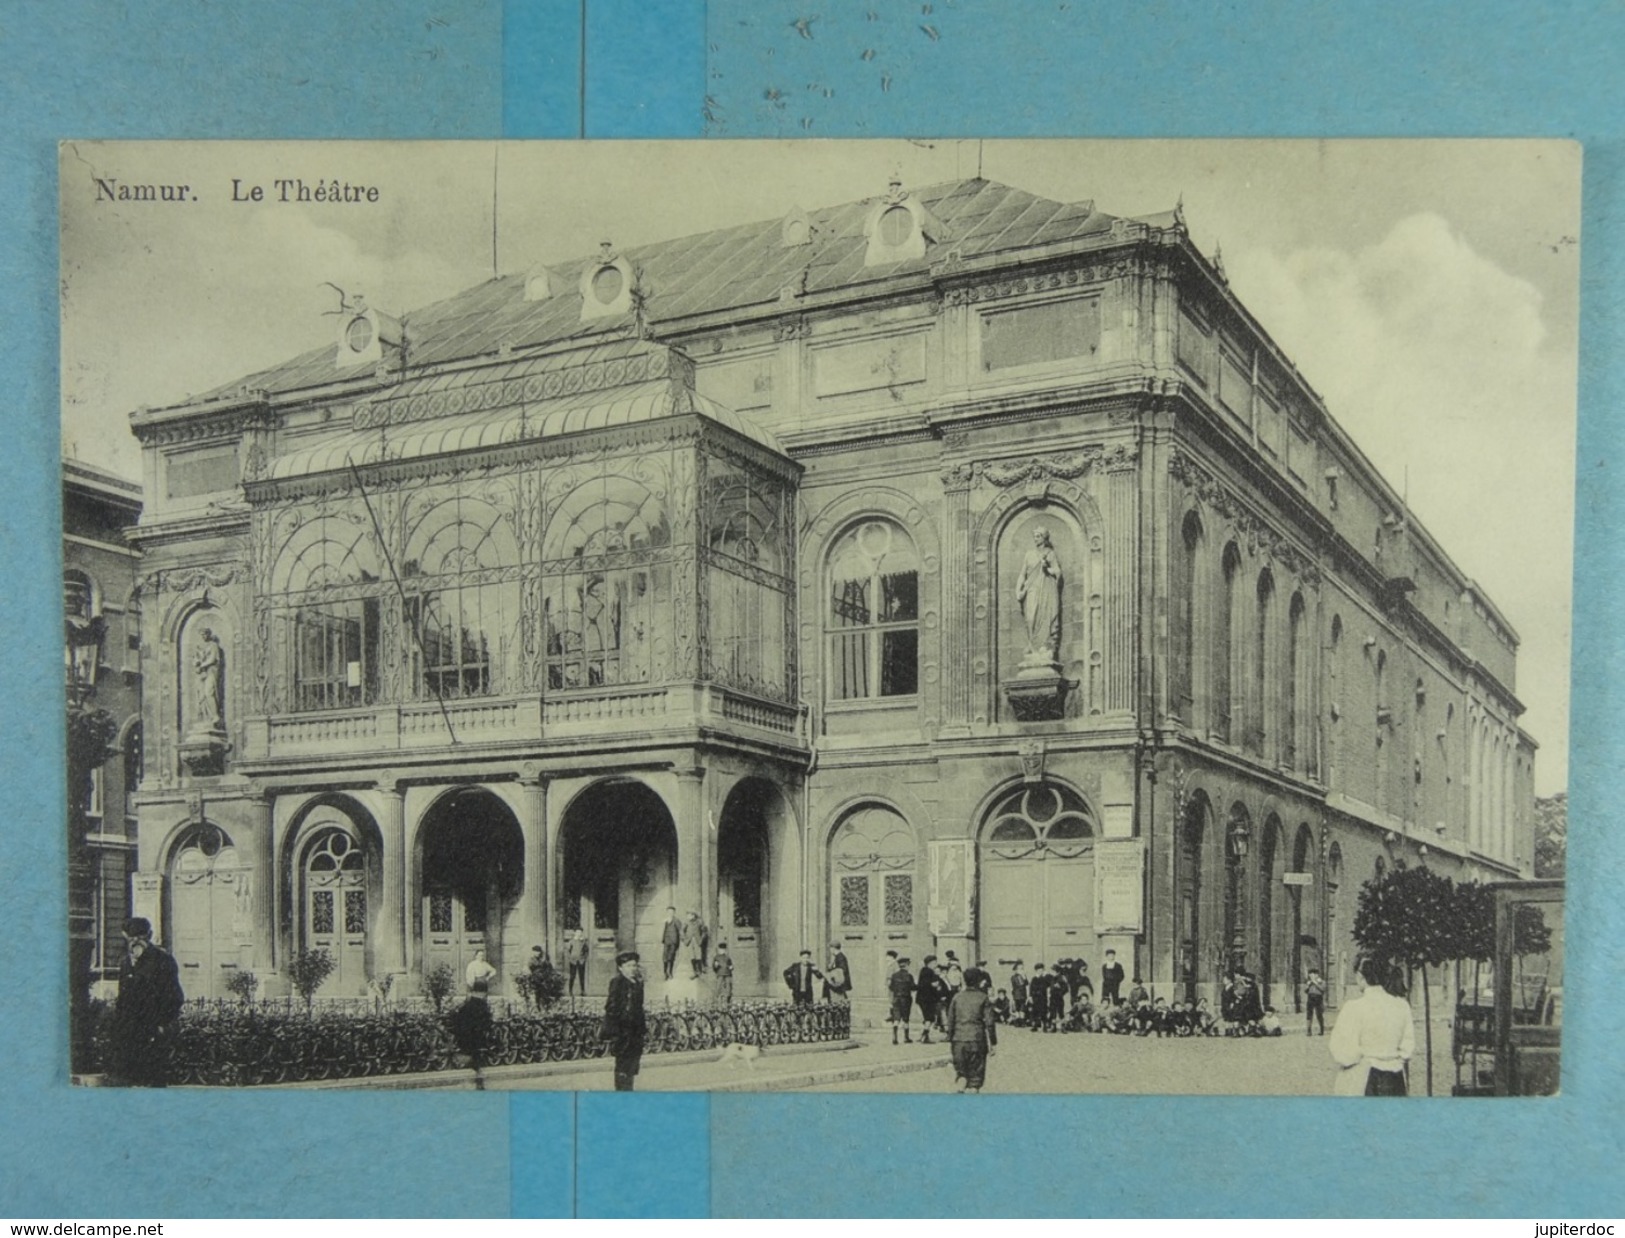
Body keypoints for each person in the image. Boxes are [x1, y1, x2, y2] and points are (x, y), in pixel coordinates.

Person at [110, 917, 184, 1087]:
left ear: (149, 935)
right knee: (127, 1080)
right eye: (131, 937)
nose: (136, 941)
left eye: (141, 936)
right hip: (128, 1032)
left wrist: (163, 1023)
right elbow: (123, 998)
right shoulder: (125, 963)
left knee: (153, 1079)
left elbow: (175, 996)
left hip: (153, 1030)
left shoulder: (163, 960)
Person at [1329, 956, 1416, 1096]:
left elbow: (1342, 1051)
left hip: (1363, 1079)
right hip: (1395, 1080)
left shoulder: (1353, 1007)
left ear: (1360, 976)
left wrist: (1364, 1056)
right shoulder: (1402, 1006)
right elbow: (1407, 1047)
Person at [945, 967, 999, 1093]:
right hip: (977, 1040)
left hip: (959, 1040)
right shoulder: (983, 998)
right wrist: (993, 1042)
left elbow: (950, 1020)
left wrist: (951, 1038)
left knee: (962, 1074)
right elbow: (990, 1023)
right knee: (975, 1079)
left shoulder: (957, 997)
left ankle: (960, 1092)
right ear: (979, 981)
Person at [1016, 526, 1064, 662]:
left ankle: (1046, 647)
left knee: (1046, 617)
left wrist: (1047, 568)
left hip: (1047, 590)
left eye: (1038, 536)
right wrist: (1018, 591)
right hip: (1031, 590)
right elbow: (1022, 574)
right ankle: (1033, 646)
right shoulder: (1029, 554)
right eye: (1034, 536)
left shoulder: (1050, 553)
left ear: (1044, 538)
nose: (1035, 539)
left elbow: (1057, 571)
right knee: (1031, 618)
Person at [601, 951, 647, 1091]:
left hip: (635, 1031)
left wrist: (642, 1028)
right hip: (623, 1031)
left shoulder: (638, 984)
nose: (633, 968)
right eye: (628, 965)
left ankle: (628, 1091)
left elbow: (639, 1007)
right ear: (621, 967)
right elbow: (611, 1006)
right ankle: (622, 1093)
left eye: (634, 965)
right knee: (622, 1064)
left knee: (632, 1065)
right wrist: (620, 1023)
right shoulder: (617, 982)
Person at [915, 955, 949, 1043]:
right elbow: (933, 985)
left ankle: (923, 1035)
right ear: (930, 963)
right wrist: (937, 987)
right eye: (934, 962)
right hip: (928, 999)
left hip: (922, 999)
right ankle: (925, 1037)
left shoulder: (923, 971)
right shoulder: (929, 972)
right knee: (929, 1018)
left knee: (928, 1018)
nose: (936, 964)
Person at [888, 956, 916, 1044]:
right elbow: (913, 987)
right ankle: (906, 1037)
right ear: (906, 965)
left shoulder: (894, 975)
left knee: (896, 1018)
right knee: (905, 1018)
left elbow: (891, 987)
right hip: (906, 999)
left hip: (896, 998)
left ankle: (894, 1037)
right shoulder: (909, 976)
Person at [683, 910, 708, 978]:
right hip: (690, 941)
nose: (687, 916)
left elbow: (704, 932)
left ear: (693, 915)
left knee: (698, 956)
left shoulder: (699, 922)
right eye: (687, 915)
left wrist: (701, 940)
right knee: (692, 956)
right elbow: (682, 931)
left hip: (697, 941)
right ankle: (694, 972)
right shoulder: (686, 923)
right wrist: (685, 939)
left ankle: (699, 971)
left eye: (689, 915)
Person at [566, 928, 589, 999]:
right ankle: (570, 990)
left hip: (581, 961)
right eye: (577, 932)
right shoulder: (571, 941)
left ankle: (582, 990)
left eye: (580, 933)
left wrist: (584, 958)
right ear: (575, 933)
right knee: (572, 976)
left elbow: (586, 951)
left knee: (581, 976)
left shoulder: (583, 942)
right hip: (573, 961)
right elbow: (568, 951)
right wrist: (570, 958)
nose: (579, 934)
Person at [660, 907, 682, 980]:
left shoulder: (676, 921)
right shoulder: (665, 921)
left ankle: (670, 972)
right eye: (669, 912)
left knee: (671, 957)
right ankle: (665, 973)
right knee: (665, 958)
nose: (670, 913)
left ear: (674, 913)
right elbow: (663, 931)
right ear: (667, 912)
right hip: (666, 941)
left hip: (673, 942)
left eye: (672, 912)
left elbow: (680, 931)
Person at [1305, 967, 1327, 1036]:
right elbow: (1305, 991)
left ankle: (1322, 1030)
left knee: (1319, 1014)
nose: (1311, 976)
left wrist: (1316, 983)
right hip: (1310, 998)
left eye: (1312, 974)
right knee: (1309, 1014)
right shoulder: (1309, 982)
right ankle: (1309, 1030)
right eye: (1310, 975)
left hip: (1318, 998)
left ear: (1317, 975)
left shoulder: (1322, 981)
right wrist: (1308, 986)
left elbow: (1323, 989)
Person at [711, 941, 735, 1006]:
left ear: (725, 950)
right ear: (719, 949)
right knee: (718, 986)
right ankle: (716, 999)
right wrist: (715, 966)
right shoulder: (716, 957)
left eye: (724, 949)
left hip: (727, 973)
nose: (722, 951)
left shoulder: (727, 957)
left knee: (728, 986)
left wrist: (731, 967)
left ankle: (728, 998)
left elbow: (731, 965)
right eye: (721, 949)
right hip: (720, 973)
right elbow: (714, 966)